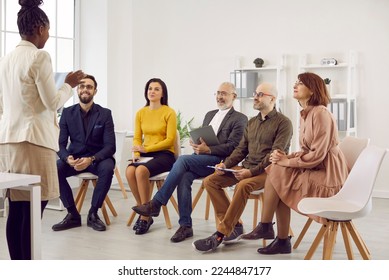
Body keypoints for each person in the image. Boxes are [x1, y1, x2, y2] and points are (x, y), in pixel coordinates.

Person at [0, 0, 85, 260]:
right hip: (34, 141)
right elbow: (52, 102)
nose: (48, 35)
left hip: (8, 141)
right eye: (47, 30)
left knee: (17, 208)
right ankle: (28, 266)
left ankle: (18, 265)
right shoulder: (39, 56)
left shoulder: (7, 58)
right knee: (35, 206)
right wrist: (69, 84)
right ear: (39, 28)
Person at [242, 72, 349, 255]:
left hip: (328, 174)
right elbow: (308, 150)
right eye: (296, 82)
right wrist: (286, 158)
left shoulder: (320, 113)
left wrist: (287, 161)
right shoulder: (305, 113)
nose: (295, 85)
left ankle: (270, 229)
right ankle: (276, 235)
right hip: (316, 166)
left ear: (313, 89)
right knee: (279, 173)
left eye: (301, 83)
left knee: (277, 174)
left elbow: (318, 155)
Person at [132, 82, 248, 242]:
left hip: (220, 162)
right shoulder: (210, 114)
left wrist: (208, 150)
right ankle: (185, 226)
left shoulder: (240, 118)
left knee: (182, 160)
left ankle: (157, 202)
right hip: (202, 158)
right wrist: (198, 145)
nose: (220, 97)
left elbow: (234, 147)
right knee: (184, 176)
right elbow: (205, 139)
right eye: (218, 93)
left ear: (233, 96)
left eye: (224, 94)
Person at [192, 82, 293, 252]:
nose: (255, 97)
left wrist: (250, 172)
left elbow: (274, 155)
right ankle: (233, 226)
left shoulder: (284, 123)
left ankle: (220, 234)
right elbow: (241, 149)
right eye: (255, 93)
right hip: (246, 167)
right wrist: (226, 164)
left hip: (268, 172)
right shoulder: (252, 122)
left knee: (243, 185)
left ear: (272, 99)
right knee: (210, 181)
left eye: (260, 94)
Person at [52, 74, 116, 232]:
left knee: (108, 168)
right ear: (77, 90)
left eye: (89, 87)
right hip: (75, 159)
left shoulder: (105, 114)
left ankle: (93, 213)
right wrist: (67, 158)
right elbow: (60, 144)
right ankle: (72, 214)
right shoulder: (67, 113)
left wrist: (92, 159)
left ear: (95, 91)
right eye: (81, 86)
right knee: (54, 169)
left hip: (98, 159)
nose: (85, 89)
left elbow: (110, 146)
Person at [126, 78, 177, 235]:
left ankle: (144, 217)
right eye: (150, 88)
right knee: (129, 171)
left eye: (156, 89)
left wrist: (146, 149)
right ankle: (146, 210)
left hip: (165, 153)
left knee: (141, 171)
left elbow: (169, 140)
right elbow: (136, 138)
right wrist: (136, 153)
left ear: (162, 93)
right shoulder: (141, 113)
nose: (152, 91)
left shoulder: (169, 112)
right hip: (146, 153)